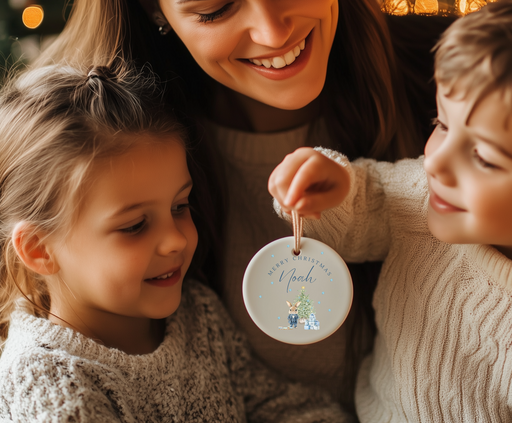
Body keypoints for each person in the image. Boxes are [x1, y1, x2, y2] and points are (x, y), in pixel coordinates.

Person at [38, 0, 452, 405]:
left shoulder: (461, 84)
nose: (273, 31)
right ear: (151, 7)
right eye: (214, 9)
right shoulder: (89, 157)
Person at [269, 0, 512, 422]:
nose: (434, 162)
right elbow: (359, 209)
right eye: (441, 123)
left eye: (482, 157)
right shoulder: (421, 200)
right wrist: (329, 186)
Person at [0, 62, 352, 423]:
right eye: (135, 225)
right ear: (39, 249)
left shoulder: (198, 315)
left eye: (180, 206)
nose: (175, 239)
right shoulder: (50, 387)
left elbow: (283, 407)